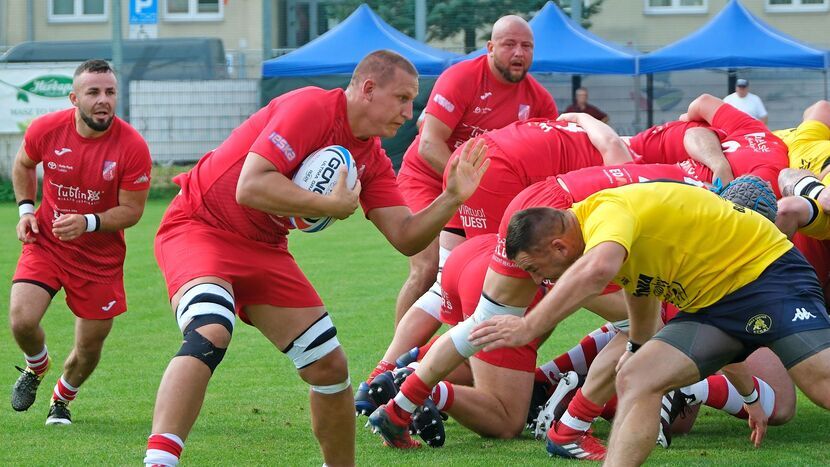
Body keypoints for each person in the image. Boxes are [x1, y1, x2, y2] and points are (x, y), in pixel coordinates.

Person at [142, 50, 489, 467]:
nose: (408, 111)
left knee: (329, 365)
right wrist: (328, 205)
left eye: (411, 101)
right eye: (401, 98)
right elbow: (249, 186)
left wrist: (451, 197)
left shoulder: (373, 159)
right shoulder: (311, 105)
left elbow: (406, 236)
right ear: (368, 89)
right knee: (210, 329)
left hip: (265, 247)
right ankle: (159, 462)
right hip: (201, 226)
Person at [469, 182, 830, 466]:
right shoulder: (603, 234)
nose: (536, 280)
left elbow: (597, 271)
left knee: (820, 384)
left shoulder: (606, 213)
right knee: (637, 375)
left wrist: (528, 327)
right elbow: (642, 291)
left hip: (768, 276)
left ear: (560, 247)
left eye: (534, 268)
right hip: (711, 306)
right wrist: (637, 348)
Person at [9, 59, 152, 425]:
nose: (103, 100)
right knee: (21, 320)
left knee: (88, 349)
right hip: (48, 242)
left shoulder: (132, 146)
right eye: (93, 92)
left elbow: (132, 211)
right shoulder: (47, 129)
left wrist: (88, 222)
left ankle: (62, 399)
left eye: (110, 92)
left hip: (99, 259)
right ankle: (36, 366)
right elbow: (24, 164)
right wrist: (27, 210)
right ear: (75, 98)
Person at [394, 14, 557, 326]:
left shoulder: (540, 101)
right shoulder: (462, 77)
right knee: (427, 269)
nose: (519, 53)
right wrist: (475, 185)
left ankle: (461, 359)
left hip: (479, 190)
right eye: (510, 45)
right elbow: (429, 145)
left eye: (527, 46)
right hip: (425, 177)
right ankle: (396, 363)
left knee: (485, 270)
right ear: (490, 47)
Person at [628, 93, 787, 196]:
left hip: (681, 183)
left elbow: (703, 103)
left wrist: (686, 118)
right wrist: (719, 166)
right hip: (678, 173)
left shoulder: (756, 131)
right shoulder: (771, 162)